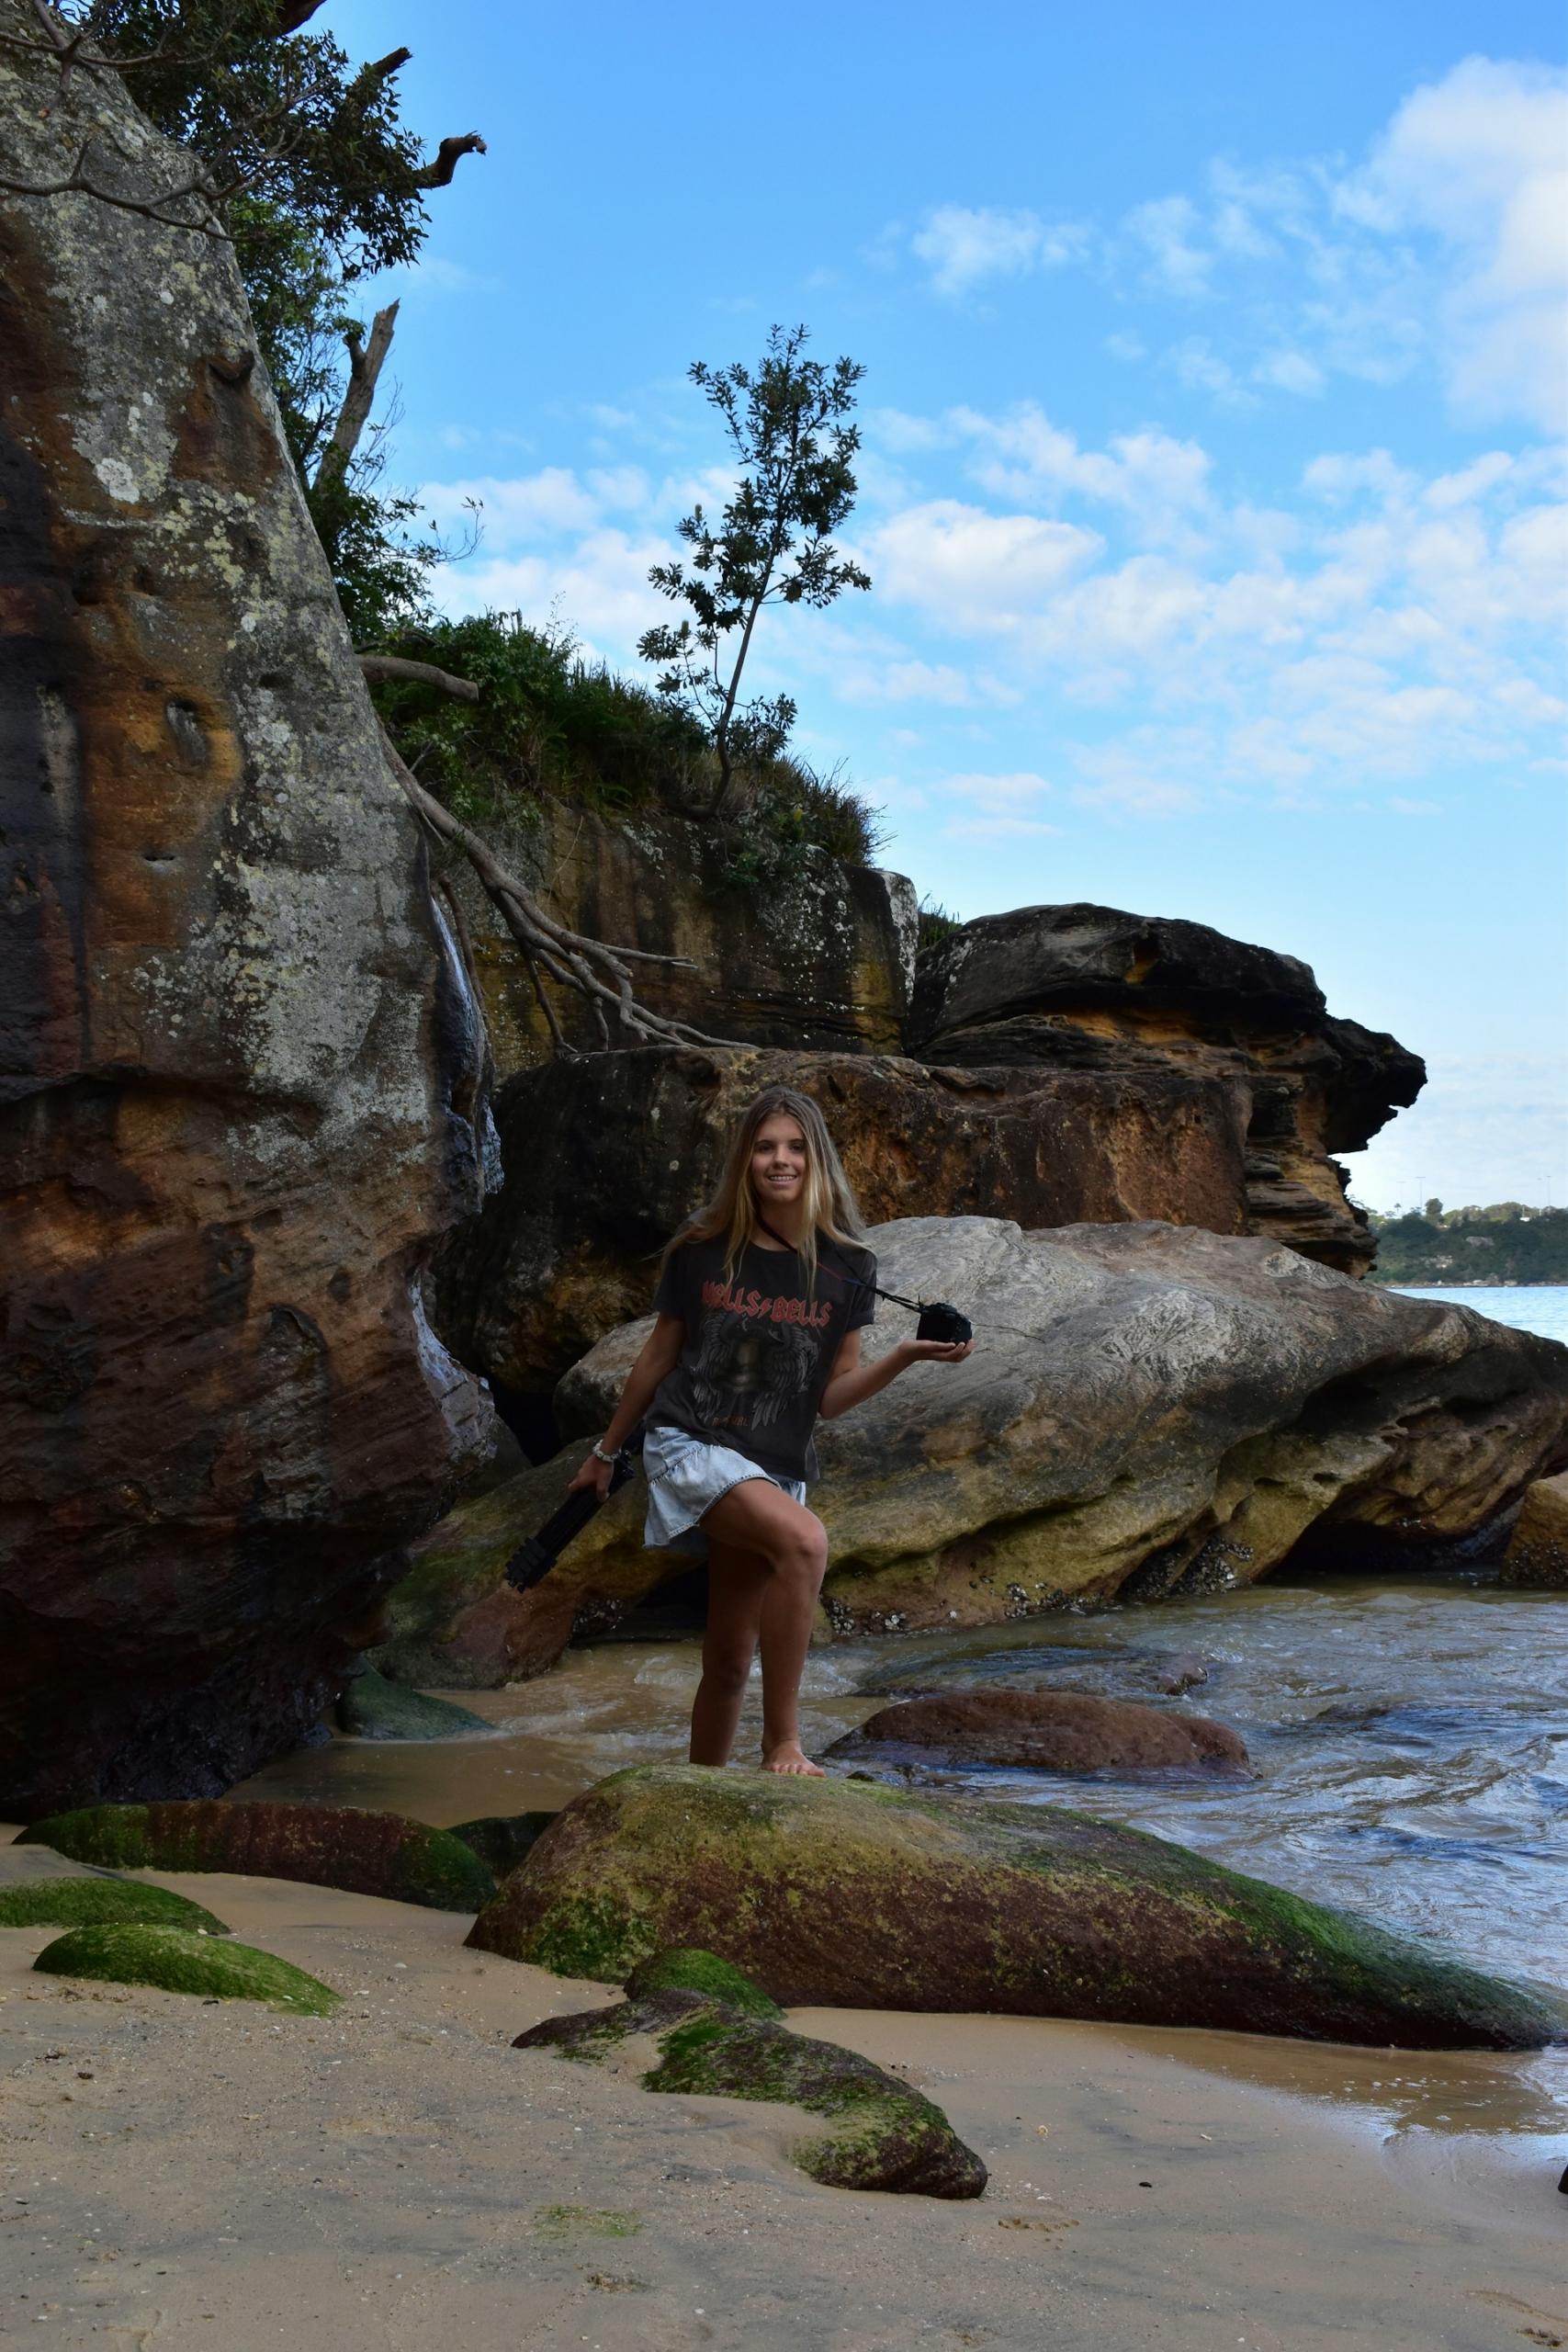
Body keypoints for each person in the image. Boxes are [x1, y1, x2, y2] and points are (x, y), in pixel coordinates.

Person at [566, 1084, 974, 1776]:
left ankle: (700, 1791)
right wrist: (605, 1451)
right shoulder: (702, 1249)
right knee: (806, 1543)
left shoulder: (848, 1266)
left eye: (793, 1147)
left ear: (815, 1160)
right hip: (689, 1441)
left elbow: (831, 1399)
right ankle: (782, 1743)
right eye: (763, 1148)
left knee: (727, 1658)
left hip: (772, 1462)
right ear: (744, 1161)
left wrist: (902, 1357)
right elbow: (657, 1356)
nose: (778, 1161)